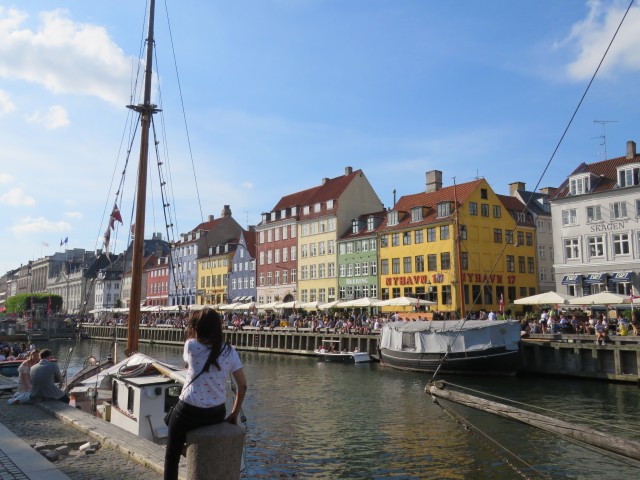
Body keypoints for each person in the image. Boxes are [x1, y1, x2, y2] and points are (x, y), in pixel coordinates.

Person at [164, 308, 247, 480]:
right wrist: (234, 414)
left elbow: (187, 365)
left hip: (188, 412)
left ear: (198, 328)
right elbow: (243, 386)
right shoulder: (230, 351)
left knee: (171, 457)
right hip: (216, 413)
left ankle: (182, 448)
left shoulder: (190, 346)